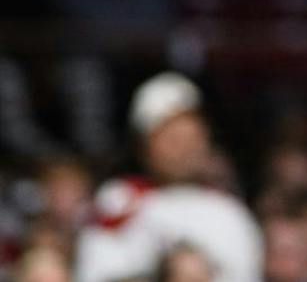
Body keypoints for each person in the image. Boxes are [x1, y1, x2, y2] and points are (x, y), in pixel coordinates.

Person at [74, 73, 262, 282]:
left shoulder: (229, 211)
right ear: (143, 144)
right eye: (171, 138)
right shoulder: (118, 201)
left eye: (191, 138)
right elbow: (96, 274)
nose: (183, 150)